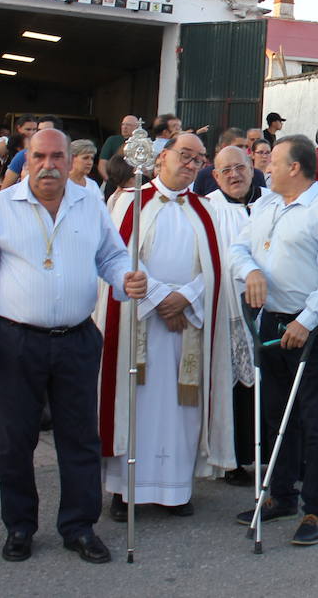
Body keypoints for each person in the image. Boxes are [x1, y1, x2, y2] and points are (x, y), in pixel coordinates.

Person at [0, 128, 147, 564]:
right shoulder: (1, 207)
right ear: (26, 159)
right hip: (16, 339)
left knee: (80, 438)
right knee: (15, 440)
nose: (49, 165)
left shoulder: (90, 203)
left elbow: (112, 257)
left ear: (68, 159)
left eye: (57, 156)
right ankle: (20, 526)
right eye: (39, 156)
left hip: (77, 338)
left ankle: (79, 526)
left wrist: (125, 278)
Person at [100, 132, 244, 520]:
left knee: (183, 405)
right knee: (135, 402)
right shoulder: (129, 202)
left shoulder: (206, 210)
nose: (191, 164)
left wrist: (188, 298)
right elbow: (119, 258)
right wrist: (162, 299)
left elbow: (214, 269)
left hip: (187, 327)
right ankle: (124, 490)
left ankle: (176, 490)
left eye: (199, 160)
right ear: (162, 157)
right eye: (185, 155)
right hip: (141, 322)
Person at [230, 134, 318, 547]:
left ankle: (316, 507)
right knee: (274, 412)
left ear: (294, 168)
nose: (266, 168)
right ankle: (280, 493)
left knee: (315, 418)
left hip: (312, 322)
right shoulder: (264, 204)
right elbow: (238, 248)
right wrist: (251, 271)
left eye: (274, 161)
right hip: (271, 320)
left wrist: (306, 320)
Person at [202, 143, 260, 485]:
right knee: (234, 385)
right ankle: (233, 459)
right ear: (215, 176)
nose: (234, 175)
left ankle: (264, 453)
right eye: (226, 171)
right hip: (227, 306)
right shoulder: (209, 209)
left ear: (251, 167)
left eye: (239, 167)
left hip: (270, 307)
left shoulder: (270, 202)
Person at [0, 116, 62, 190]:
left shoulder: (68, 156)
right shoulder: (24, 155)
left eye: (47, 131)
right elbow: (5, 189)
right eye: (39, 130)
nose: (41, 134)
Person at [0, 115, 38, 189]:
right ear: (19, 128)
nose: (32, 132)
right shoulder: (9, 143)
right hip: (6, 186)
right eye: (28, 129)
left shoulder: (39, 144)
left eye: (34, 129)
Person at [97, 114, 139, 181]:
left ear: (137, 127)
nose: (124, 127)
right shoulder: (113, 140)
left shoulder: (142, 142)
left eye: (128, 125)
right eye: (123, 124)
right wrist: (109, 181)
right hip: (113, 180)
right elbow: (102, 164)